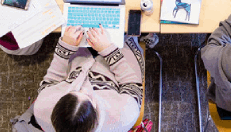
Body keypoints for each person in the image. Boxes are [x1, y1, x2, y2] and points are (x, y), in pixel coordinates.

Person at [10, 27, 143, 132]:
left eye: (73, 91)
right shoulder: (124, 116)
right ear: (95, 108)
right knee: (127, 24)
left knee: (76, 24)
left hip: (79, 58)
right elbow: (131, 82)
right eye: (87, 95)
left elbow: (52, 79)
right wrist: (108, 50)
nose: (84, 87)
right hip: (118, 62)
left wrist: (65, 48)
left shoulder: (42, 109)